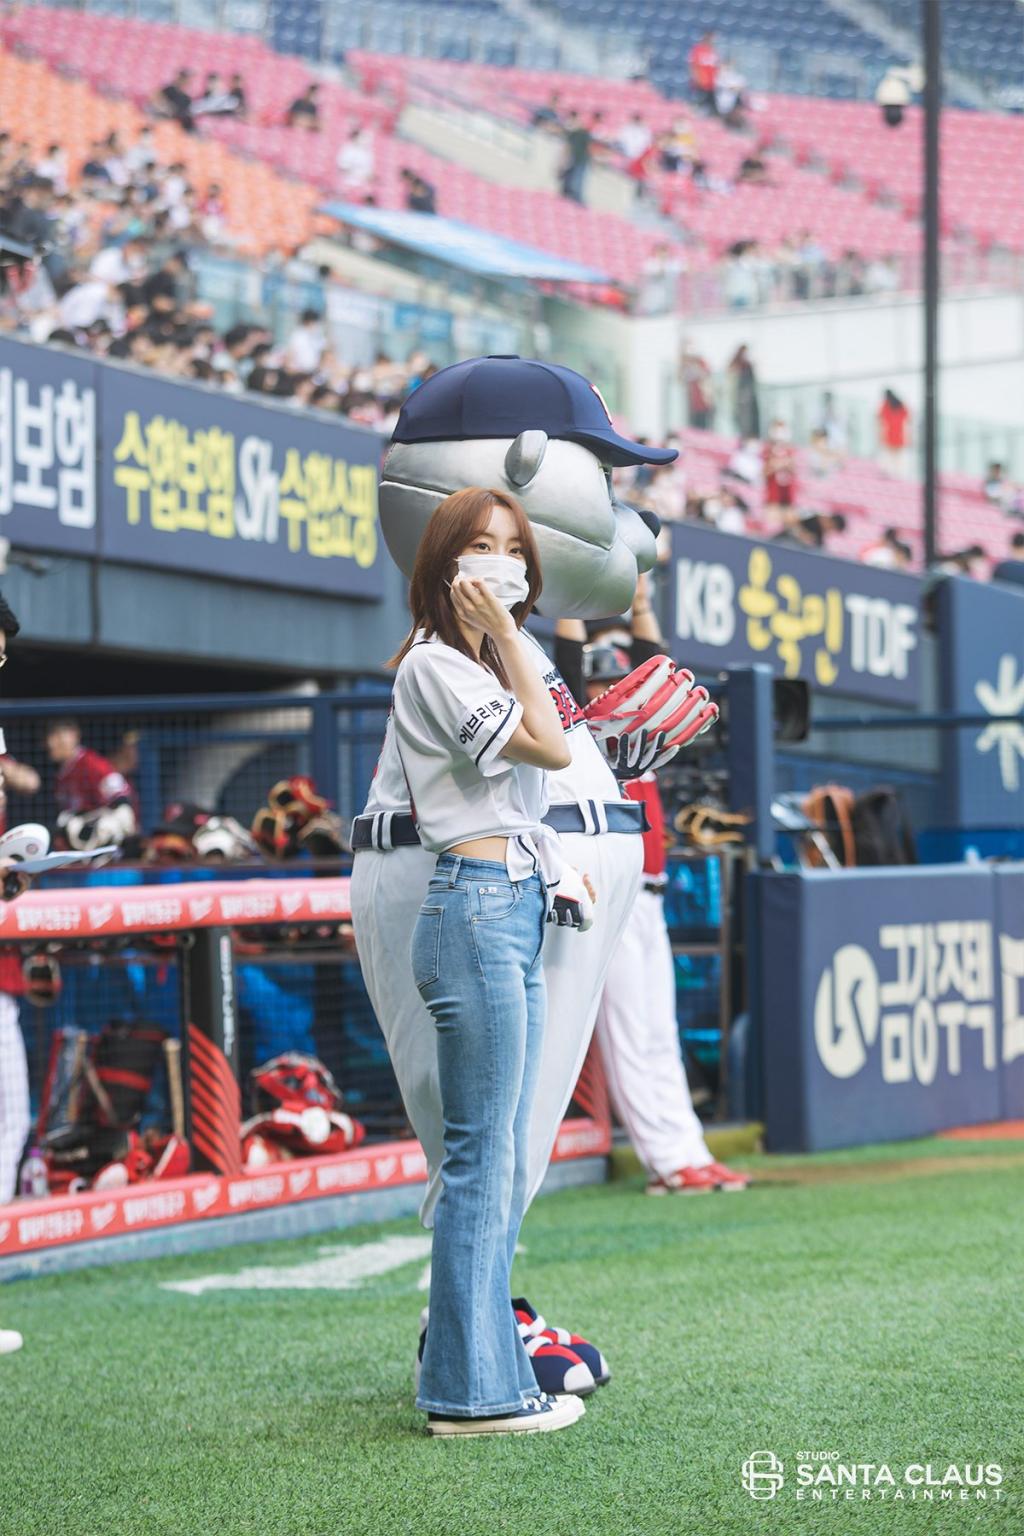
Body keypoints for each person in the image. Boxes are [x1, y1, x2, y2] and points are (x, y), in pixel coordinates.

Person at [387, 486, 587, 1437]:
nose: (500, 559)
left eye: (514, 545)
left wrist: (510, 642)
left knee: (498, 1157)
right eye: (479, 544)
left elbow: (557, 750)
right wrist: (510, 634)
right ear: (444, 563)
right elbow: (547, 747)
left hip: (508, 903)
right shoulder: (438, 665)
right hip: (473, 908)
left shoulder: (480, 663)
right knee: (479, 1157)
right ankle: (472, 1394)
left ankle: (489, 1371)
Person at [557, 584, 750, 1194]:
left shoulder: (637, 736)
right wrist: (568, 589)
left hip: (650, 891)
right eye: (600, 681)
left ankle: (687, 1150)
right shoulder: (577, 733)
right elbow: (565, 667)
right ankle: (666, 1161)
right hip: (610, 891)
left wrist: (640, 604)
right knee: (632, 1033)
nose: (615, 689)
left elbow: (652, 666)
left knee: (656, 1027)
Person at [45, 720, 138, 848]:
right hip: (80, 836)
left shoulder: (90, 763)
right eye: (50, 738)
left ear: (74, 736)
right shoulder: (62, 773)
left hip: (103, 835)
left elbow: (121, 799)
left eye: (58, 737)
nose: (51, 743)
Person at [763, 419, 798, 520]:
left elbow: (794, 469)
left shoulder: (790, 451)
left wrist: (785, 464)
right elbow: (764, 472)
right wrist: (776, 465)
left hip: (787, 495)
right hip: (773, 495)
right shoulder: (768, 451)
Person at [558, 111, 592, 205]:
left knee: (577, 181)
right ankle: (568, 195)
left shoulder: (584, 133)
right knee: (570, 179)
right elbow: (567, 147)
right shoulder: (573, 133)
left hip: (580, 160)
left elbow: (588, 148)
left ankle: (576, 198)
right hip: (573, 159)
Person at [681, 343, 715, 430]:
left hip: (704, 401)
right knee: (695, 423)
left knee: (703, 423)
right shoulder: (688, 366)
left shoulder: (702, 364)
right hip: (694, 402)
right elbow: (683, 378)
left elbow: (705, 375)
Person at [729, 345, 760, 440]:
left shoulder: (749, 365)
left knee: (751, 420)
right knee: (743, 421)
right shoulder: (736, 365)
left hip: (750, 397)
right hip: (740, 399)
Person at [878, 388, 910, 476]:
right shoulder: (901, 404)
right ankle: (898, 473)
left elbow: (881, 419)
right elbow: (907, 418)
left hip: (890, 433)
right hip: (900, 433)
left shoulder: (885, 405)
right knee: (899, 457)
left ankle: (890, 473)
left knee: (889, 455)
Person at [336, 126, 375, 193]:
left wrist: (367, 177)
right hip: (347, 182)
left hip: (363, 184)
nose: (364, 140)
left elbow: (369, 172)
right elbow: (343, 168)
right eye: (362, 137)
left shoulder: (368, 152)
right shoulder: (347, 149)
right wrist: (357, 175)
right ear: (355, 137)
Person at [689, 31, 719, 113]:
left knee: (713, 108)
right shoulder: (698, 49)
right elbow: (694, 66)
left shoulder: (713, 51)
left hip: (712, 84)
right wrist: (698, 79)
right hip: (701, 83)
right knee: (700, 104)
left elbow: (717, 67)